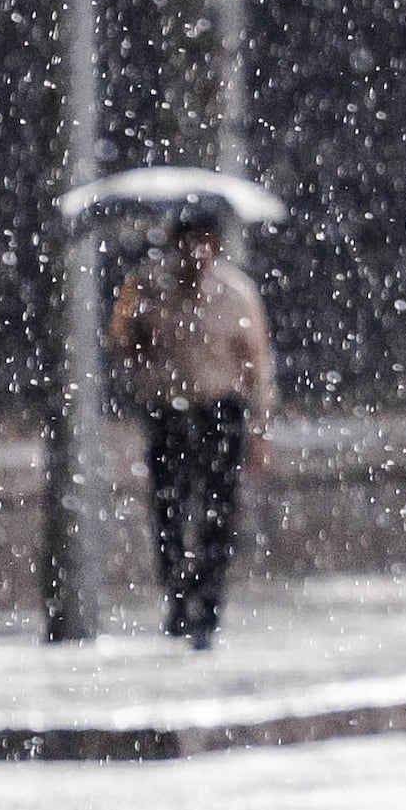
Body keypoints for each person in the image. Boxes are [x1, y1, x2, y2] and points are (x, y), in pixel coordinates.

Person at [106, 202, 275, 649]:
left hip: (220, 409)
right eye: (187, 242)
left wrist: (259, 430)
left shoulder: (236, 294)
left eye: (204, 243)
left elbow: (257, 366)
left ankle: (208, 603)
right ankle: (179, 595)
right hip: (167, 411)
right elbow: (122, 343)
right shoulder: (147, 287)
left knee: (219, 511)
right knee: (169, 508)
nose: (195, 253)